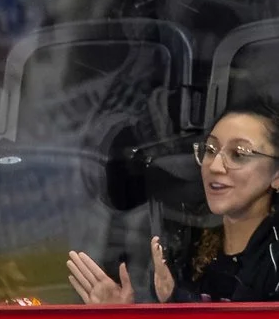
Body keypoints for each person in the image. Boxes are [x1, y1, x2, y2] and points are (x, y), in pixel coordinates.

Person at [71, 103, 279, 304]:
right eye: (210, 149)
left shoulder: (272, 262)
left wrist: (175, 299)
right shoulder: (186, 245)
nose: (215, 166)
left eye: (239, 154)